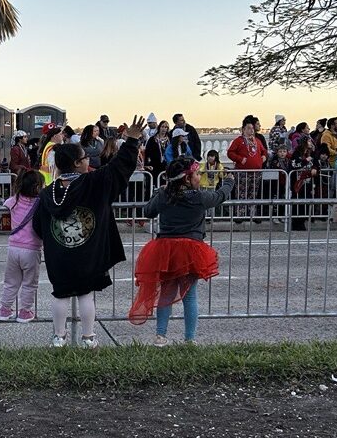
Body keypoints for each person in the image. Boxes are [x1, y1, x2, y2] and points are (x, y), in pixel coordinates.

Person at [33, 115, 145, 349]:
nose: (87, 161)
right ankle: (88, 337)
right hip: (88, 251)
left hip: (59, 251)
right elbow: (118, 168)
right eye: (84, 158)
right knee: (85, 294)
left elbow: (37, 225)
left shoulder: (48, 192)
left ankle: (59, 338)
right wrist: (132, 142)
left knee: (60, 293)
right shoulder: (93, 182)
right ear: (76, 163)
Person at [129, 157, 234, 345]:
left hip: (166, 249)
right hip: (190, 249)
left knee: (167, 293)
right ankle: (189, 339)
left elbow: (148, 212)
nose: (199, 177)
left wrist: (158, 193)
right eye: (197, 174)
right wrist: (228, 182)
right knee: (190, 295)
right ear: (187, 178)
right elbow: (219, 197)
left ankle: (160, 336)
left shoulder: (165, 195)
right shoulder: (198, 197)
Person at [0, 170, 44, 323]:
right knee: (29, 283)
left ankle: (4, 310)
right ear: (38, 187)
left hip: (13, 247)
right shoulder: (40, 203)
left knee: (11, 282)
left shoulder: (14, 200)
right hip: (32, 249)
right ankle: (25, 311)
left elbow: (5, 205)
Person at [226, 119, 267, 221]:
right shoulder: (238, 141)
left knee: (253, 194)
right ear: (243, 129)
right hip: (242, 172)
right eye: (249, 128)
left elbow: (264, 151)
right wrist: (240, 159)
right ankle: (240, 215)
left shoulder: (257, 141)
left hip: (256, 172)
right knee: (241, 193)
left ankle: (252, 214)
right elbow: (230, 153)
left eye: (252, 128)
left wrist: (264, 156)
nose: (251, 130)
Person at [290, 136, 318, 231]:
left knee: (306, 201)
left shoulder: (312, 153)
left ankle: (303, 221)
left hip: (308, 181)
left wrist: (315, 168)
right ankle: (296, 223)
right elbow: (294, 165)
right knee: (298, 202)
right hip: (298, 182)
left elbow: (316, 163)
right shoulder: (297, 153)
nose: (310, 142)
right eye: (309, 141)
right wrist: (306, 160)